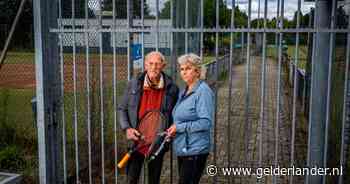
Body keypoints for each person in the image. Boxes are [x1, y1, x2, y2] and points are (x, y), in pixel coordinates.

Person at [118, 51, 179, 184]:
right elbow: (122, 109)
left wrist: (170, 133)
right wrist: (127, 128)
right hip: (136, 141)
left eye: (157, 64)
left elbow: (175, 115)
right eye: (150, 63)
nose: (153, 67)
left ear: (163, 65)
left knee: (154, 180)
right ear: (145, 65)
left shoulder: (172, 88)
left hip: (157, 143)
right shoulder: (133, 84)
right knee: (131, 180)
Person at [167, 53, 214, 184]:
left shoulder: (203, 91)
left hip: (195, 150)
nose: (184, 72)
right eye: (182, 69)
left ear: (197, 71)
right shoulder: (184, 91)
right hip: (184, 147)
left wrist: (179, 127)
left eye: (188, 68)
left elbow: (206, 122)